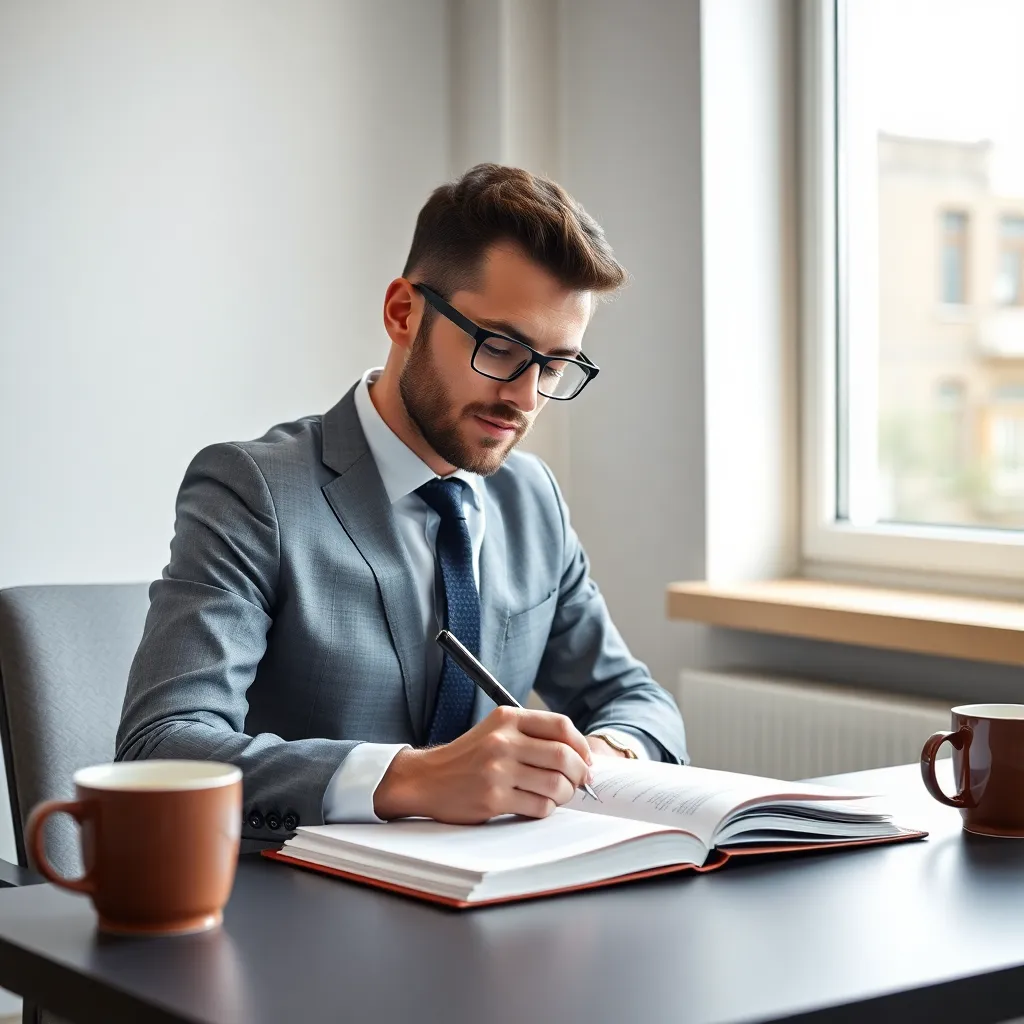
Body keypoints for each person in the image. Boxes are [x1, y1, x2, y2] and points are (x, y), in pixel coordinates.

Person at [116, 163, 687, 839]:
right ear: (403, 314)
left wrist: (603, 757)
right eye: (501, 348)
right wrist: (412, 779)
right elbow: (162, 749)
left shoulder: (532, 499)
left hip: (496, 887)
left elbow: (637, 700)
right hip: (293, 891)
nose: (525, 397)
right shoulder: (252, 490)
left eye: (555, 365)